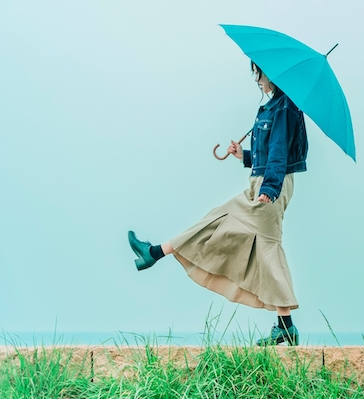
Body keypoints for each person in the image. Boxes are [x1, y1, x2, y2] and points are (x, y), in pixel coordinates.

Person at [127, 61, 308, 346]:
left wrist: (270, 188)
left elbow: (278, 153)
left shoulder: (285, 109)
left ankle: (154, 253)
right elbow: (267, 153)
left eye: (258, 74)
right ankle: (154, 253)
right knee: (237, 230)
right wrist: (243, 156)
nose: (257, 80)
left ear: (269, 73)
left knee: (268, 247)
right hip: (262, 182)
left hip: (270, 186)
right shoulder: (275, 107)